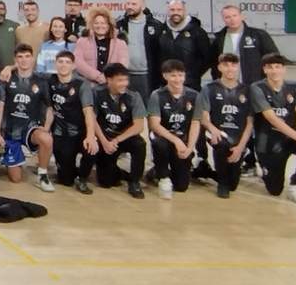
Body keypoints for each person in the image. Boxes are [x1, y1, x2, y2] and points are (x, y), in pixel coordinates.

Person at [251, 53, 296, 204]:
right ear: (265, 70)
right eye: (270, 67)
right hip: (268, 139)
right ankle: (263, 167)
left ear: (284, 69)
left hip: (290, 137)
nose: (274, 71)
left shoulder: (294, 87)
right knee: (274, 190)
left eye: (278, 67)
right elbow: (272, 118)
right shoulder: (257, 88)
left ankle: (295, 184)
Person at [0, 43, 55, 193]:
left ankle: (42, 175)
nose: (24, 60)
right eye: (20, 57)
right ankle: (12, 158)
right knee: (16, 179)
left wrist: (46, 128)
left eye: (27, 56)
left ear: (33, 59)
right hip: (10, 130)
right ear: (15, 59)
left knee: (46, 139)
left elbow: (49, 108)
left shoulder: (41, 81)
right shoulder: (6, 79)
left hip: (30, 127)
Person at [195, 53, 255, 199]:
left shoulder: (247, 90)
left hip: (238, 136)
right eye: (226, 65)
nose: (230, 68)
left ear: (238, 67)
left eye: (233, 65)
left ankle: (209, 172)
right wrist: (212, 128)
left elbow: (250, 122)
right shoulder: (209, 88)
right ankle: (221, 183)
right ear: (219, 67)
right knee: (220, 144)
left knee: (233, 184)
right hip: (217, 132)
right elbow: (203, 117)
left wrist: (241, 147)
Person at [92, 63, 147, 198]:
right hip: (104, 137)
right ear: (109, 80)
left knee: (140, 144)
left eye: (126, 80)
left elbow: (139, 126)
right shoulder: (97, 93)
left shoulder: (134, 97)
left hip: (123, 137)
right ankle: (119, 173)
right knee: (106, 182)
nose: (124, 84)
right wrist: (104, 141)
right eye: (120, 80)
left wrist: (117, 139)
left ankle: (135, 182)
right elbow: (91, 120)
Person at [146, 60, 197, 198]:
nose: (177, 79)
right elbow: (155, 125)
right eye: (173, 75)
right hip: (164, 137)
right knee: (159, 142)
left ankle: (157, 171)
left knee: (181, 186)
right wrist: (176, 140)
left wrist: (190, 148)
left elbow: (195, 124)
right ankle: (163, 176)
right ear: (165, 76)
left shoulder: (194, 96)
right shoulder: (157, 95)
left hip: (183, 139)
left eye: (180, 75)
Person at [47, 50, 95, 193]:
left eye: (67, 62)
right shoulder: (49, 80)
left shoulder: (82, 84)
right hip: (61, 133)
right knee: (66, 180)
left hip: (80, 131)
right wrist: (9, 68)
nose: (63, 65)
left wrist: (91, 135)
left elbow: (88, 111)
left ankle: (83, 178)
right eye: (60, 62)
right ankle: (69, 171)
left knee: (92, 148)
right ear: (55, 64)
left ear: (73, 66)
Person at [211, 4, 278, 86]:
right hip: (228, 88)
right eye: (227, 17)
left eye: (234, 15)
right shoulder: (219, 39)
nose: (232, 19)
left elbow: (274, 59)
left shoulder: (258, 35)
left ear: (241, 16)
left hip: (254, 86)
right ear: (223, 19)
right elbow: (213, 64)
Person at [116, 0, 164, 103]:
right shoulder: (119, 25)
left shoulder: (156, 26)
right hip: (125, 74)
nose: (130, 6)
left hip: (147, 76)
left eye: (134, 4)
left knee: (147, 108)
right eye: (128, 4)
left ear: (142, 6)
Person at [159, 0, 213, 89]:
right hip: (166, 84)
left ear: (184, 11)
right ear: (168, 12)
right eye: (172, 10)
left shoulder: (198, 32)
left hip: (190, 84)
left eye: (179, 10)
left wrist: (193, 74)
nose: (176, 13)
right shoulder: (161, 31)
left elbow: (207, 58)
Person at [72, 7, 128, 87]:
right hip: (88, 85)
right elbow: (78, 62)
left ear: (109, 25)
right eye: (96, 23)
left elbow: (122, 65)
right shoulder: (82, 41)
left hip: (111, 86)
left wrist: (108, 78)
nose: (99, 26)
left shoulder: (120, 44)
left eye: (103, 23)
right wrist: (98, 76)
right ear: (91, 25)